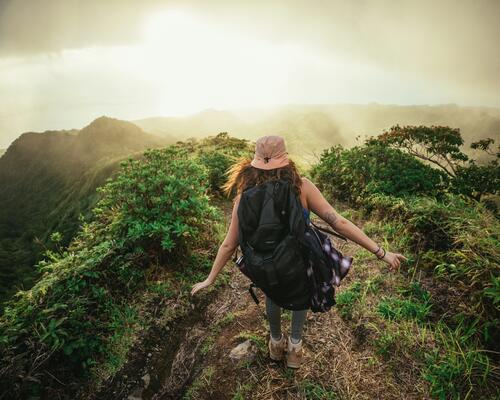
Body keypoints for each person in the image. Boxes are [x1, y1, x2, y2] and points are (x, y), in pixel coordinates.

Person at [191, 135, 407, 368]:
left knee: (272, 295)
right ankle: (295, 347)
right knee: (301, 293)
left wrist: (209, 279)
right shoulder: (302, 187)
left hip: (264, 266)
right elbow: (339, 222)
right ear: (285, 159)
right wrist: (382, 253)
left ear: (255, 163)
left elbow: (229, 244)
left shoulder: (243, 197)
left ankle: (275, 343)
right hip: (298, 261)